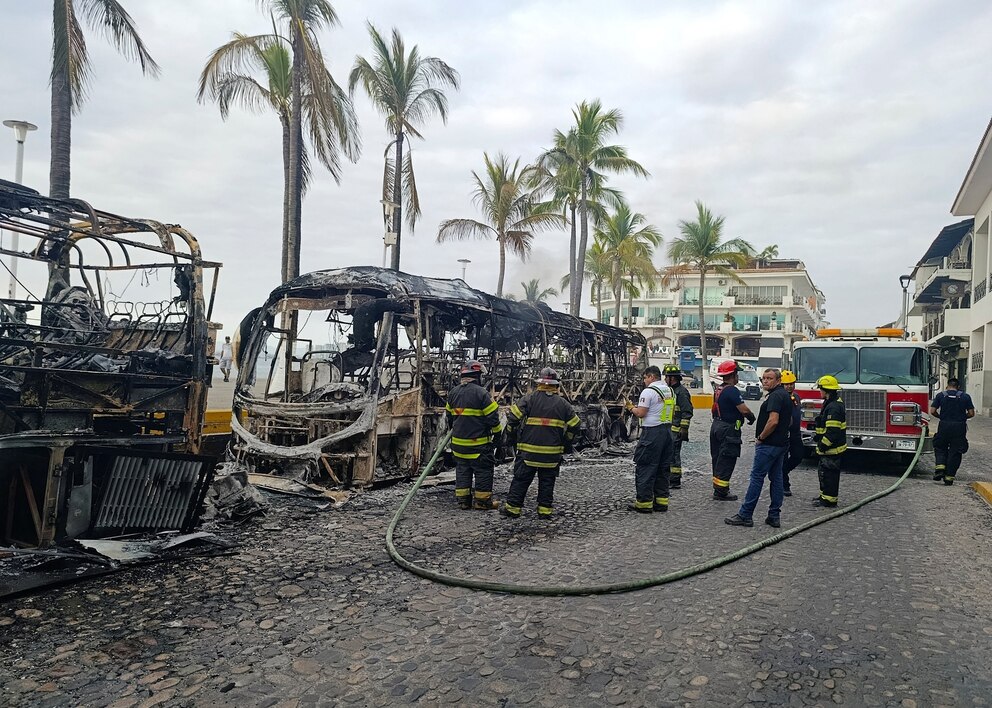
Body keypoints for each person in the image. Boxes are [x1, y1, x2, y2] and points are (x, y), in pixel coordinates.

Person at [500, 368, 581, 519]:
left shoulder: (529, 399)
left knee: (521, 480)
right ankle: (544, 512)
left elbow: (513, 418)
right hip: (551, 454)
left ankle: (513, 509)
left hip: (528, 452)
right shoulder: (563, 404)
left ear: (539, 384)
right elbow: (575, 425)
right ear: (556, 386)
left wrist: (512, 435)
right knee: (547, 482)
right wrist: (566, 440)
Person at [725, 368, 793, 528]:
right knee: (776, 479)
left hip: (768, 445)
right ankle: (774, 516)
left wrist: (761, 438)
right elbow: (789, 421)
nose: (765, 381)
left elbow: (773, 421)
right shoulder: (785, 396)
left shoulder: (775, 397)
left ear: (778, 380)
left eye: (769, 378)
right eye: (764, 378)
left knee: (757, 478)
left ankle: (745, 514)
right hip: (781, 445)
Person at [445, 360, 503, 510]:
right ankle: (482, 502)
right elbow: (493, 418)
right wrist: (498, 436)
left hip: (458, 444)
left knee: (462, 470)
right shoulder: (481, 393)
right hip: (478, 445)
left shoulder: (453, 393)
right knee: (483, 471)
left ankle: (463, 501)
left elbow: (449, 417)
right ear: (477, 376)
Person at [626, 365, 676, 513]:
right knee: (663, 468)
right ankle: (661, 503)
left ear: (651, 377)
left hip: (652, 433)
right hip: (667, 432)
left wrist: (630, 407)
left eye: (645, 377)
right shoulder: (670, 391)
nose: (644, 381)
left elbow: (641, 413)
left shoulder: (648, 392)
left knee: (646, 466)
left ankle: (644, 504)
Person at [710, 359, 756, 501]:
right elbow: (743, 409)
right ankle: (721, 491)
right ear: (733, 375)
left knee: (718, 458)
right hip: (728, 429)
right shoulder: (732, 390)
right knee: (727, 458)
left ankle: (718, 488)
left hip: (716, 426)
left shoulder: (719, 389)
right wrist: (751, 417)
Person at [930, 378, 975, 485]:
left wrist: (941, 417)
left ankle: (940, 468)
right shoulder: (965, 396)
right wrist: (962, 417)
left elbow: (932, 411)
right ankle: (949, 478)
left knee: (940, 447)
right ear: (958, 386)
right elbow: (971, 413)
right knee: (956, 451)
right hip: (959, 427)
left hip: (944, 425)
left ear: (947, 386)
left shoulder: (941, 395)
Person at [812, 375, 847, 507]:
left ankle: (829, 500)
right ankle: (824, 496)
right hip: (829, 448)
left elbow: (833, 432)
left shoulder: (834, 407)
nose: (819, 391)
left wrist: (822, 446)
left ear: (826, 390)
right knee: (824, 473)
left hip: (832, 449)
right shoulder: (831, 402)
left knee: (829, 475)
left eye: (820, 389)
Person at [663, 364, 693, 489]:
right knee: (669, 455)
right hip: (669, 429)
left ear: (673, 378)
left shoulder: (681, 392)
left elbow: (687, 412)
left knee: (674, 455)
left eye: (667, 377)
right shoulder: (671, 391)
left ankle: (675, 480)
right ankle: (669, 478)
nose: (665, 380)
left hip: (676, 430)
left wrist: (683, 429)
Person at [780, 370, 805, 496]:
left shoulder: (796, 397)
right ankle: (784, 485)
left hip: (795, 433)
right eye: (786, 384)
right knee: (783, 459)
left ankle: (783, 472)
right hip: (784, 434)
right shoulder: (779, 397)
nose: (790, 386)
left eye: (791, 383)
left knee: (798, 455)